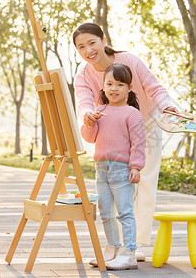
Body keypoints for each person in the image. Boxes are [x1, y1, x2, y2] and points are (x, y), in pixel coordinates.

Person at [73, 23, 177, 261]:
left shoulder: (129, 59)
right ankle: (117, 244)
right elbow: (84, 102)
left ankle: (136, 244)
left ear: (104, 40)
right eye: (81, 47)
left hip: (146, 123)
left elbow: (153, 86)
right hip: (114, 131)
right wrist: (88, 114)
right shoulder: (83, 75)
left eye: (92, 43)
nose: (88, 50)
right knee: (119, 188)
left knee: (145, 181)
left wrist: (166, 107)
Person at [81, 63, 145, 270]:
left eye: (119, 84)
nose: (114, 89)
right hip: (101, 169)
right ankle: (112, 248)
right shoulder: (99, 110)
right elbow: (90, 138)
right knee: (106, 212)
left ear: (129, 88)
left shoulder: (131, 113)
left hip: (122, 170)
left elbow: (138, 143)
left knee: (125, 212)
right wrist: (89, 123)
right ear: (103, 86)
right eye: (109, 84)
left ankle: (128, 252)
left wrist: (136, 166)